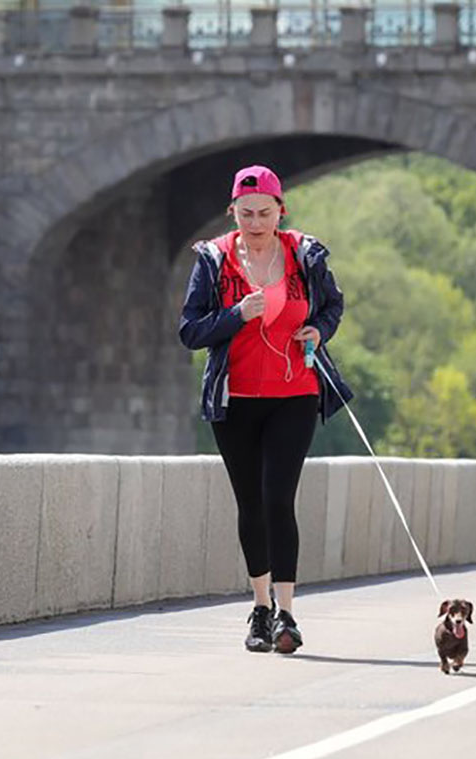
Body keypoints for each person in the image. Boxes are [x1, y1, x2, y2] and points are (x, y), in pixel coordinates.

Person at [179, 164, 354, 654]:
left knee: (279, 498)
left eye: (264, 213)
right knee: (251, 503)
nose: (255, 222)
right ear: (232, 212)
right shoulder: (214, 261)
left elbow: (332, 307)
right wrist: (236, 315)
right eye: (246, 213)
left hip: (294, 393)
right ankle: (259, 608)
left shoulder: (306, 255)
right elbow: (190, 331)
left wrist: (319, 331)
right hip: (235, 400)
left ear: (281, 211)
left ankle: (287, 614)